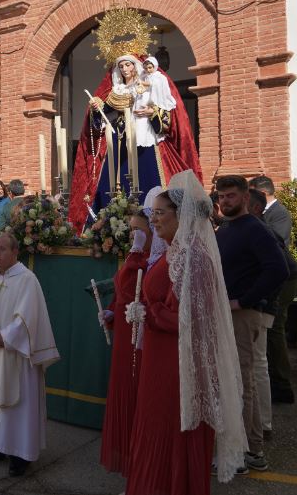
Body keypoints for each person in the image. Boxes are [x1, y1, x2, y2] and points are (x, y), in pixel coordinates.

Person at [125, 171, 247, 494]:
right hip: (161, 358)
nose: (153, 220)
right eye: (152, 213)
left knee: (168, 429)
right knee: (155, 426)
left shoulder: (194, 257)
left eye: (159, 213)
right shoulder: (176, 251)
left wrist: (149, 313)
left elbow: (192, 320)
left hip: (177, 366)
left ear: (182, 215)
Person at [69, 54, 202, 233]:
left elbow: (167, 114)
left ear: (135, 66)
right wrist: (96, 109)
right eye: (121, 66)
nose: (124, 69)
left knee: (148, 180)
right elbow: (102, 116)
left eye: (128, 65)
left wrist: (152, 112)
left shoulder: (147, 85)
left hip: (144, 141)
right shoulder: (117, 91)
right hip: (120, 143)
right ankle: (110, 227)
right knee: (114, 183)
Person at [0, 233, 59, 477]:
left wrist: (5, 338)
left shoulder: (27, 280)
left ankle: (20, 454)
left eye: (2, 249)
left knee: (19, 405)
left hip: (17, 356)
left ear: (15, 252)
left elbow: (28, 318)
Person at [215, 175, 289, 472]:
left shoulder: (255, 229)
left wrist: (244, 301)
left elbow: (278, 270)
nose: (225, 201)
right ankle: (253, 450)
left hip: (243, 316)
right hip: (228, 314)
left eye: (231, 196)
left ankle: (243, 453)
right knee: (240, 382)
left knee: (242, 383)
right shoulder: (226, 229)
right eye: (221, 196)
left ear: (246, 197)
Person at [98, 205, 152, 476]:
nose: (133, 235)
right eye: (131, 230)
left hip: (138, 338)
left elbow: (133, 288)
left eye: (138, 230)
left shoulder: (146, 261)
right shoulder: (135, 258)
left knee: (135, 392)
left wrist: (136, 251)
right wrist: (110, 311)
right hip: (123, 333)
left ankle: (139, 463)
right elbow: (121, 291)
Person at [247, 189, 297, 439]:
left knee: (272, 332)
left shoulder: (261, 228)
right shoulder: (249, 226)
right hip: (266, 295)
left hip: (274, 292)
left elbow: (278, 269)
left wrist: (262, 303)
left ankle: (281, 386)